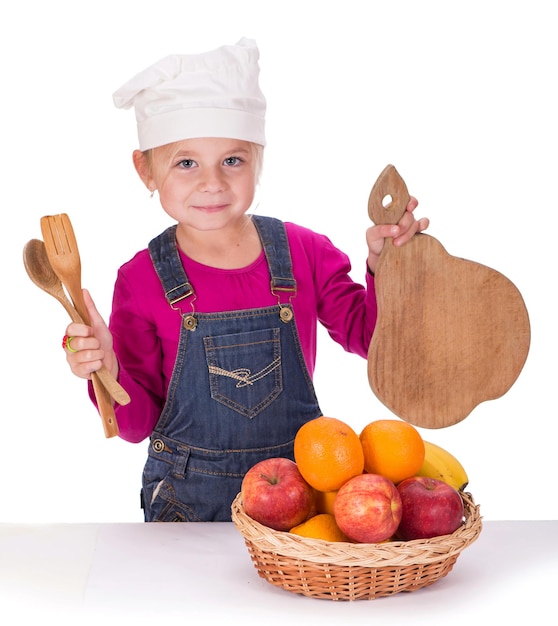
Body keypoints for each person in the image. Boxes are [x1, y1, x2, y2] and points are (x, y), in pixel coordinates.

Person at [62, 38, 429, 522]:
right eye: (186, 162)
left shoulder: (303, 252)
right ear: (145, 170)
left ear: (258, 159)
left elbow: (372, 339)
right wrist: (105, 369)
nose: (211, 183)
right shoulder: (141, 279)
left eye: (232, 160)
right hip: (187, 510)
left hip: (299, 507)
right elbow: (138, 425)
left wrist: (388, 269)